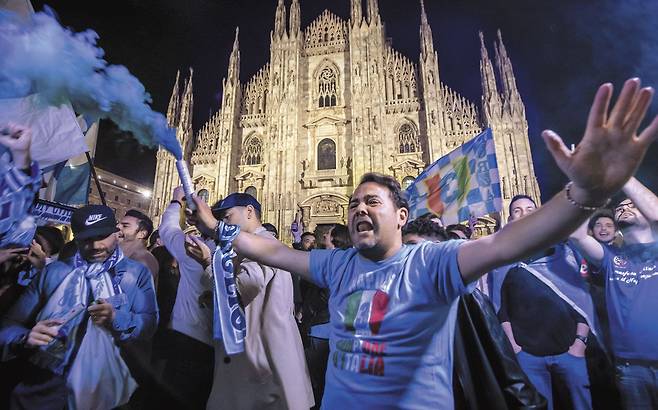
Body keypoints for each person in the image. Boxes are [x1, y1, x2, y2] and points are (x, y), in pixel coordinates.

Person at [189, 79, 658, 408]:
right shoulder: (339, 266)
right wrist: (215, 228)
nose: (358, 210)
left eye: (372, 201)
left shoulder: (433, 264)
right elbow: (271, 251)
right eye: (354, 204)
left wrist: (584, 194)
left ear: (402, 215)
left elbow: (510, 242)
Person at [0, 205, 158, 409]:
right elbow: (10, 323)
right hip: (42, 389)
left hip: (100, 389)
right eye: (86, 239)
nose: (96, 246)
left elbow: (149, 324)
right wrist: (24, 338)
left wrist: (116, 318)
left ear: (115, 233)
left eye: (102, 236)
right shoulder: (54, 272)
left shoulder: (136, 274)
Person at [185, 193, 314, 410]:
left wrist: (208, 262)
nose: (224, 223)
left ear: (249, 211)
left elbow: (239, 289)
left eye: (227, 217)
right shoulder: (254, 245)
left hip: (260, 359)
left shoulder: (260, 245)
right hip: (261, 355)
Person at [497, 195, 595, 410]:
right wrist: (516, 348)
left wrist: (579, 343)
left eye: (530, 208)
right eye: (517, 210)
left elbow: (582, 300)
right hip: (528, 356)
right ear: (510, 217)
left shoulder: (565, 253)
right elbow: (501, 309)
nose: (524, 214)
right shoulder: (503, 260)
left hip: (570, 352)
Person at [569, 176, 658, 409]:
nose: (624, 208)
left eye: (632, 205)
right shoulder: (612, 258)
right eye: (620, 207)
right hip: (629, 368)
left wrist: (622, 174)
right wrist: (589, 189)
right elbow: (576, 235)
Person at [156, 187, 215, 410]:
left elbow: (168, 229)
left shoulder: (192, 248)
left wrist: (175, 202)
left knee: (178, 392)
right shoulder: (238, 251)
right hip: (221, 342)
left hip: (188, 335)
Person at [118, 209, 160, 288]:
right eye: (119, 224)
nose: (118, 227)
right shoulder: (123, 256)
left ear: (142, 234)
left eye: (125, 226)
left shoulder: (144, 261)